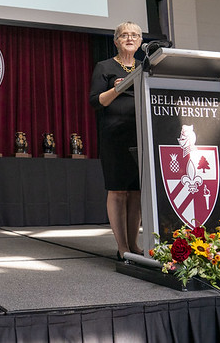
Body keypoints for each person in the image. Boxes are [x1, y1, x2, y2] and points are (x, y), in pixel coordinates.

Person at [89, 21, 144, 260]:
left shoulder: (145, 67)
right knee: (119, 191)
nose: (129, 38)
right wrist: (116, 90)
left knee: (136, 192)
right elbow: (96, 101)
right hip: (115, 137)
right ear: (116, 41)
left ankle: (134, 244)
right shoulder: (105, 66)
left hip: (141, 134)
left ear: (141, 41)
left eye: (134, 35)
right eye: (124, 35)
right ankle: (122, 247)